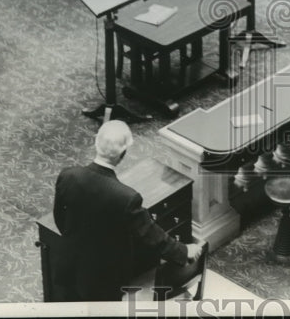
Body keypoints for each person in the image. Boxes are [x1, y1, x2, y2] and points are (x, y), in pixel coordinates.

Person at [53, 120, 202, 301]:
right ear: (122, 154)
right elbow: (153, 237)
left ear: (95, 142)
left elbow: (59, 218)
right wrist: (184, 251)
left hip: (68, 265)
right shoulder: (126, 198)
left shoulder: (68, 176)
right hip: (101, 280)